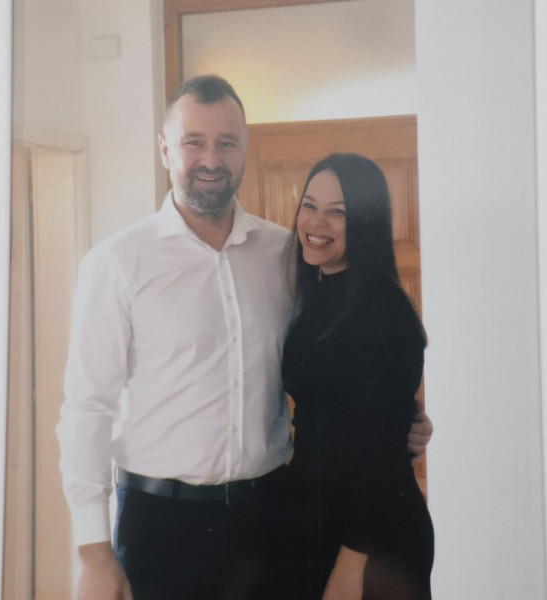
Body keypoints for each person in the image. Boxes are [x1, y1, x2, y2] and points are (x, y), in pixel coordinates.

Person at [57, 75, 433, 600]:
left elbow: (349, 358)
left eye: (227, 143)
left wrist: (404, 419)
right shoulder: (117, 263)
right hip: (161, 527)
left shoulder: (285, 255)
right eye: (194, 142)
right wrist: (93, 550)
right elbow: (87, 408)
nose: (211, 159)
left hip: (271, 521)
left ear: (244, 150)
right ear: (165, 150)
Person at [280, 154, 434, 599]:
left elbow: (380, 455)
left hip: (370, 541)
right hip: (319, 519)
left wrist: (351, 567)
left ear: (366, 223)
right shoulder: (317, 295)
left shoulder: (385, 310)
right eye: (310, 205)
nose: (316, 222)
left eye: (338, 212)